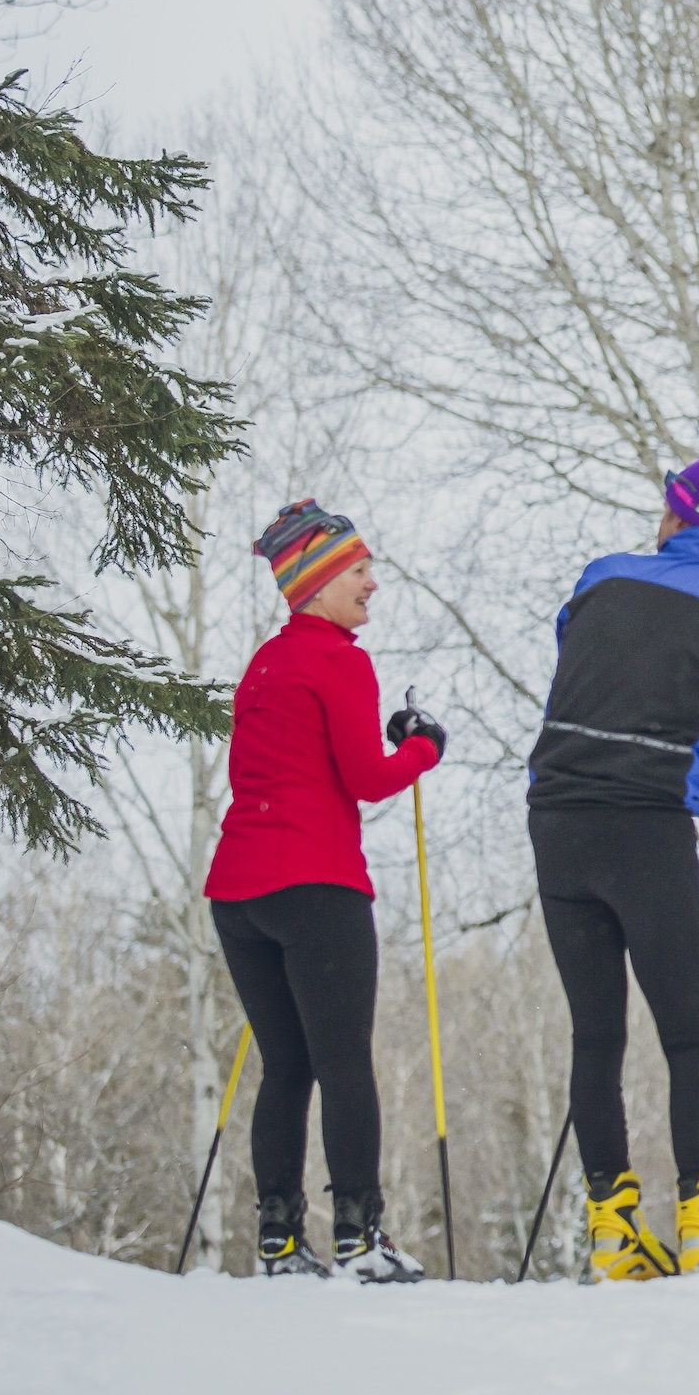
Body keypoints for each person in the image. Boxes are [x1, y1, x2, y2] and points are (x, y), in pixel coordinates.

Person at [528, 451, 699, 1280]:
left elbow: (576, 649)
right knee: (692, 1032)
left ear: (675, 515)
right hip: (647, 828)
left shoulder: (598, 579)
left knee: (596, 1032)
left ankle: (613, 1232)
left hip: (557, 818)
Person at [206, 500, 443, 1283]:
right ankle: (359, 1238)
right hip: (316, 884)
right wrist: (421, 749)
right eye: (359, 571)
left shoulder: (265, 664)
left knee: (287, 1066)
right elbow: (366, 778)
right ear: (315, 583)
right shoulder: (340, 660)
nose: (373, 584)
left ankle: (279, 1238)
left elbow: (288, 767)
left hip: (240, 893)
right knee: (344, 1065)